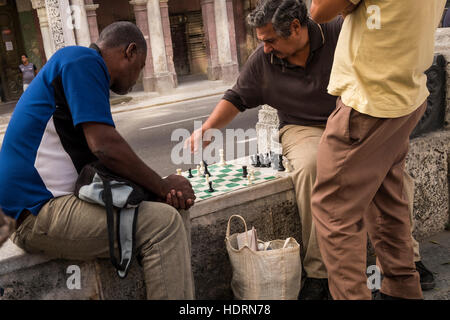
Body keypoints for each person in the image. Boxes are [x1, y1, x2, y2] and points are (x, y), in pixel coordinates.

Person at [187, 0, 434, 299]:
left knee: (362, 194)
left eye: (270, 40)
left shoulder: (337, 28)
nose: (265, 48)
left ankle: (403, 265)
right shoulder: (263, 60)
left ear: (295, 27)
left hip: (359, 110)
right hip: (305, 126)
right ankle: (320, 273)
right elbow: (237, 96)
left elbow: (323, 9)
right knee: (313, 166)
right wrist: (207, 129)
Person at [0, 21, 196, 299]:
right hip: (34, 213)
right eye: (140, 67)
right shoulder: (82, 61)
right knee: (163, 225)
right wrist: (162, 186)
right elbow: (105, 147)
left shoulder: (82, 68)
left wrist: (163, 189)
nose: (137, 78)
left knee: (175, 210)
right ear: (129, 51)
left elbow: (107, 160)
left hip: (50, 206)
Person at [309, 0, 445, 300]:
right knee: (387, 199)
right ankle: (401, 289)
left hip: (369, 97)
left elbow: (319, 11)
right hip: (404, 92)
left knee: (333, 209)